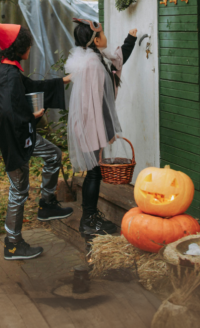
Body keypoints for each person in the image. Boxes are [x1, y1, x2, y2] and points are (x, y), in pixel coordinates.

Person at [0, 13, 72, 260]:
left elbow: (32, 87)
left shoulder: (12, 72)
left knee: (53, 155)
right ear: (20, 48)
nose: (31, 47)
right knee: (18, 189)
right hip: (15, 140)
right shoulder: (8, 76)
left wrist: (63, 81)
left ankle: (47, 204)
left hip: (22, 136)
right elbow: (7, 114)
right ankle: (13, 244)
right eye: (28, 44)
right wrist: (33, 117)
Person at [65, 19, 137, 237]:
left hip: (87, 124)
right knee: (94, 173)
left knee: (93, 172)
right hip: (90, 125)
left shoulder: (93, 58)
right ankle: (88, 221)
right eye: (103, 33)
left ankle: (91, 217)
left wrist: (130, 39)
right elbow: (98, 102)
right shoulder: (94, 65)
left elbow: (116, 60)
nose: (106, 37)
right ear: (96, 40)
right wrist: (108, 130)